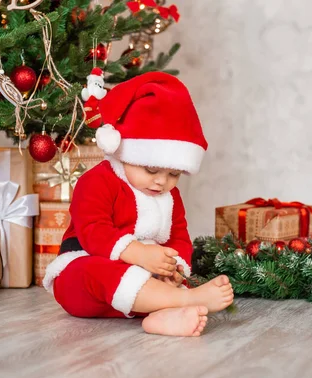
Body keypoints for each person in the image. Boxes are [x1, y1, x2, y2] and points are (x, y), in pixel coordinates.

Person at [43, 72, 234, 337]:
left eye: (173, 174)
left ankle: (163, 315)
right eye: (151, 169)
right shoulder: (97, 181)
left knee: (163, 283)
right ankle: (186, 300)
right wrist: (139, 254)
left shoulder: (170, 196)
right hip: (85, 272)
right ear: (126, 152)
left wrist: (175, 268)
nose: (161, 182)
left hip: (142, 280)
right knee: (91, 272)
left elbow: (179, 236)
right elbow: (92, 231)